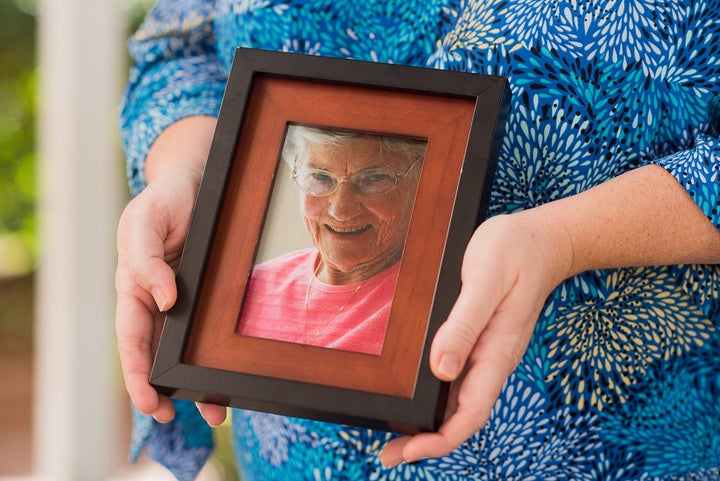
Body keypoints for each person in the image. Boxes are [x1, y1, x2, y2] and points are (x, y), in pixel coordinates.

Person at [115, 1, 720, 480]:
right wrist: (191, 172)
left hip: (619, 447)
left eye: (376, 179)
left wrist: (561, 239)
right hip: (297, 460)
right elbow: (181, 48)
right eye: (320, 179)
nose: (342, 206)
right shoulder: (261, 288)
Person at [236, 126, 426, 355]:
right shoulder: (249, 285)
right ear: (296, 171)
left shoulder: (435, 302)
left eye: (374, 178)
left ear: (422, 179)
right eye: (321, 177)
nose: (341, 211)